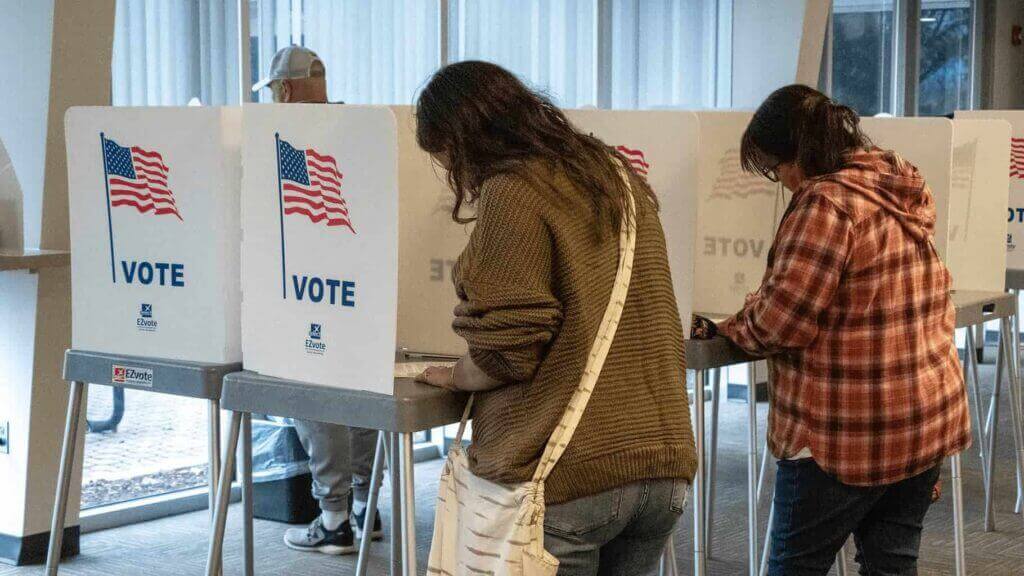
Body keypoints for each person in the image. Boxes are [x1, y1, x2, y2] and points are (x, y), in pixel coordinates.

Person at [414, 60, 696, 575]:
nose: (454, 173)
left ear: (463, 137)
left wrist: (454, 373)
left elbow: (508, 354)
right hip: (662, 459)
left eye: (447, 157)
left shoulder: (514, 190)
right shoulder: (613, 173)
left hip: (569, 474)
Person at [718, 84, 971, 575]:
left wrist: (729, 325)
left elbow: (779, 322)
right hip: (922, 423)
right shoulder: (898, 188)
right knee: (892, 567)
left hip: (846, 433)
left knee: (794, 567)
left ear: (798, 155)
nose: (783, 182)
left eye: (776, 168)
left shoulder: (827, 205)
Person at [252, 45, 383, 555]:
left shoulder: (288, 142)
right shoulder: (362, 130)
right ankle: (363, 509)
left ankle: (332, 519)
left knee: (312, 394)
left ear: (284, 90)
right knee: (361, 393)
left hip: (308, 290)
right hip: (361, 289)